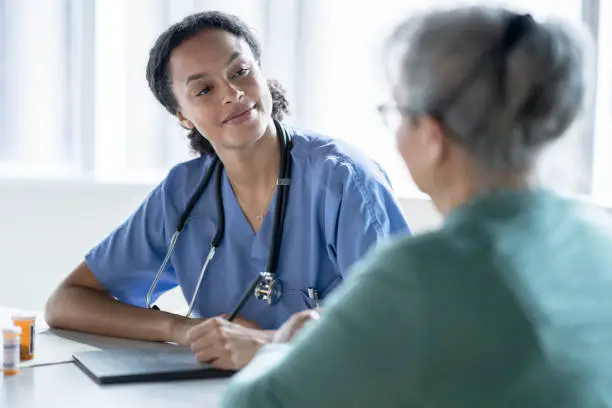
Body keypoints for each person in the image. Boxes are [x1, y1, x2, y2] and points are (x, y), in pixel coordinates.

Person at [221, 5, 612, 407]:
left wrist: (282, 349)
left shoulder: (422, 274)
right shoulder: (599, 239)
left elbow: (251, 404)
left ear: (431, 135)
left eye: (398, 114)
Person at [44, 11, 411, 370]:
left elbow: (400, 325)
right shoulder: (183, 193)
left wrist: (269, 346)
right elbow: (66, 302)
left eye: (241, 72)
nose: (232, 93)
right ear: (183, 116)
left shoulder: (343, 179)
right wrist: (184, 329)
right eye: (204, 89)